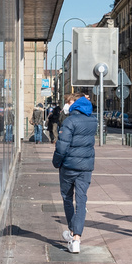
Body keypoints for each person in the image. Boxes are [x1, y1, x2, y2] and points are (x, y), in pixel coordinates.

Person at [52, 92, 96, 254]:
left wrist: (56, 162)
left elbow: (62, 146)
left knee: (67, 198)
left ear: (74, 103)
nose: (67, 105)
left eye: (69, 102)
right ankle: (75, 235)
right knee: (82, 200)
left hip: (69, 165)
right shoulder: (93, 120)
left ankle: (73, 233)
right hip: (86, 166)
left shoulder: (70, 120)